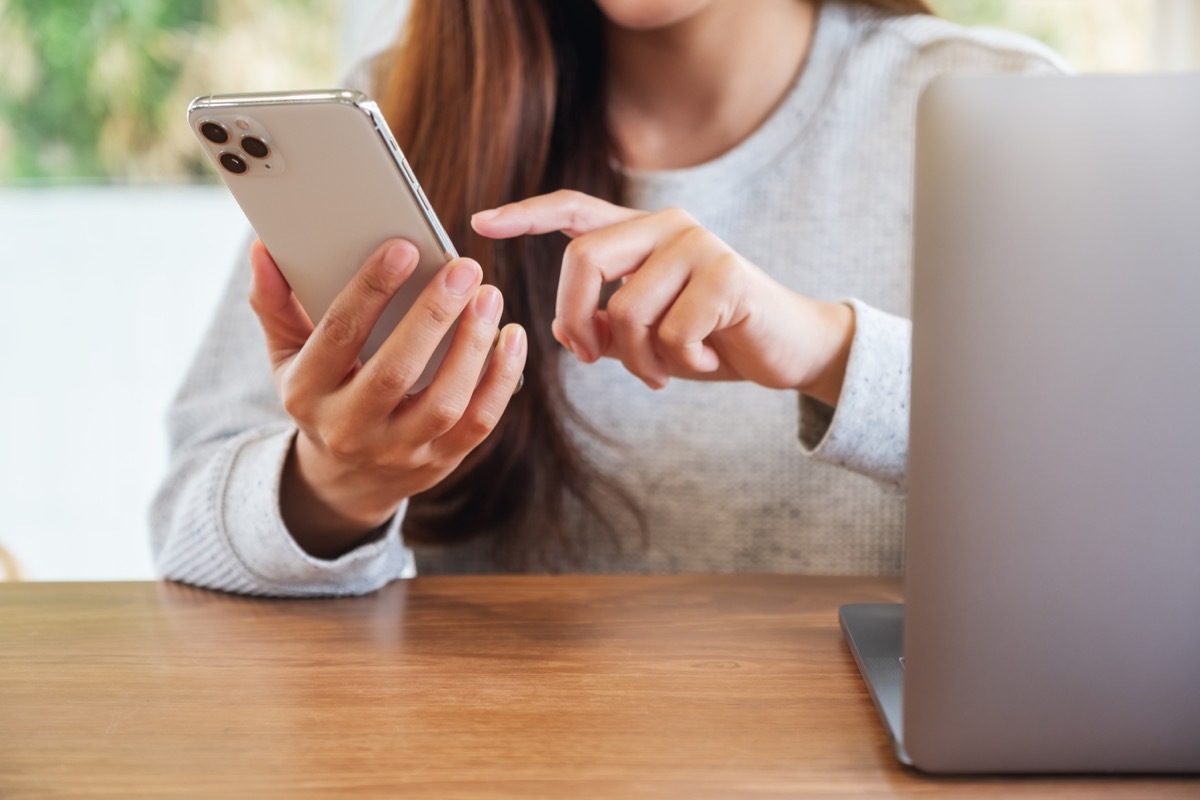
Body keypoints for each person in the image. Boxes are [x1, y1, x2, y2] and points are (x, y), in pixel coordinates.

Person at [151, 0, 1066, 595]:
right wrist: (332, 487)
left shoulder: (1000, 109)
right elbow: (187, 527)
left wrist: (831, 353)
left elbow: (1113, 506)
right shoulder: (404, 108)